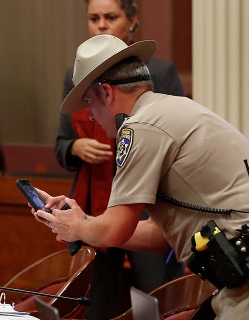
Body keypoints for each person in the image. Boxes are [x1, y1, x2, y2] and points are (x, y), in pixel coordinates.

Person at [35, 34, 249, 319]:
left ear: (106, 92)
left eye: (89, 103)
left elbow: (115, 230)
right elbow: (159, 234)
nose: (91, 115)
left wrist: (77, 228)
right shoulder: (167, 109)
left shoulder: (139, 127)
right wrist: (85, 222)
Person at [55, 0, 184, 318]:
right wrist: (76, 148)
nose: (100, 24)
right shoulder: (74, 74)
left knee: (156, 293)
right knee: (93, 298)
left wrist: (81, 226)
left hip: (148, 204)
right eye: (93, 18)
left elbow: (168, 144)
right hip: (96, 196)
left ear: (132, 22)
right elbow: (60, 144)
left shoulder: (158, 82)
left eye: (110, 17)